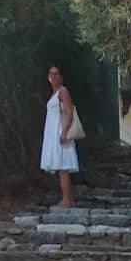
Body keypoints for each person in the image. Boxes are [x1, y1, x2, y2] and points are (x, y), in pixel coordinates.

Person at [40, 65, 78, 208]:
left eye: (56, 73)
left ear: (61, 77)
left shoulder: (63, 91)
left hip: (60, 131)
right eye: (51, 73)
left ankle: (67, 199)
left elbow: (69, 112)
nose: (54, 76)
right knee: (61, 165)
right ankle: (68, 199)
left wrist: (64, 131)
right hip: (54, 132)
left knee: (63, 166)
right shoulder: (54, 94)